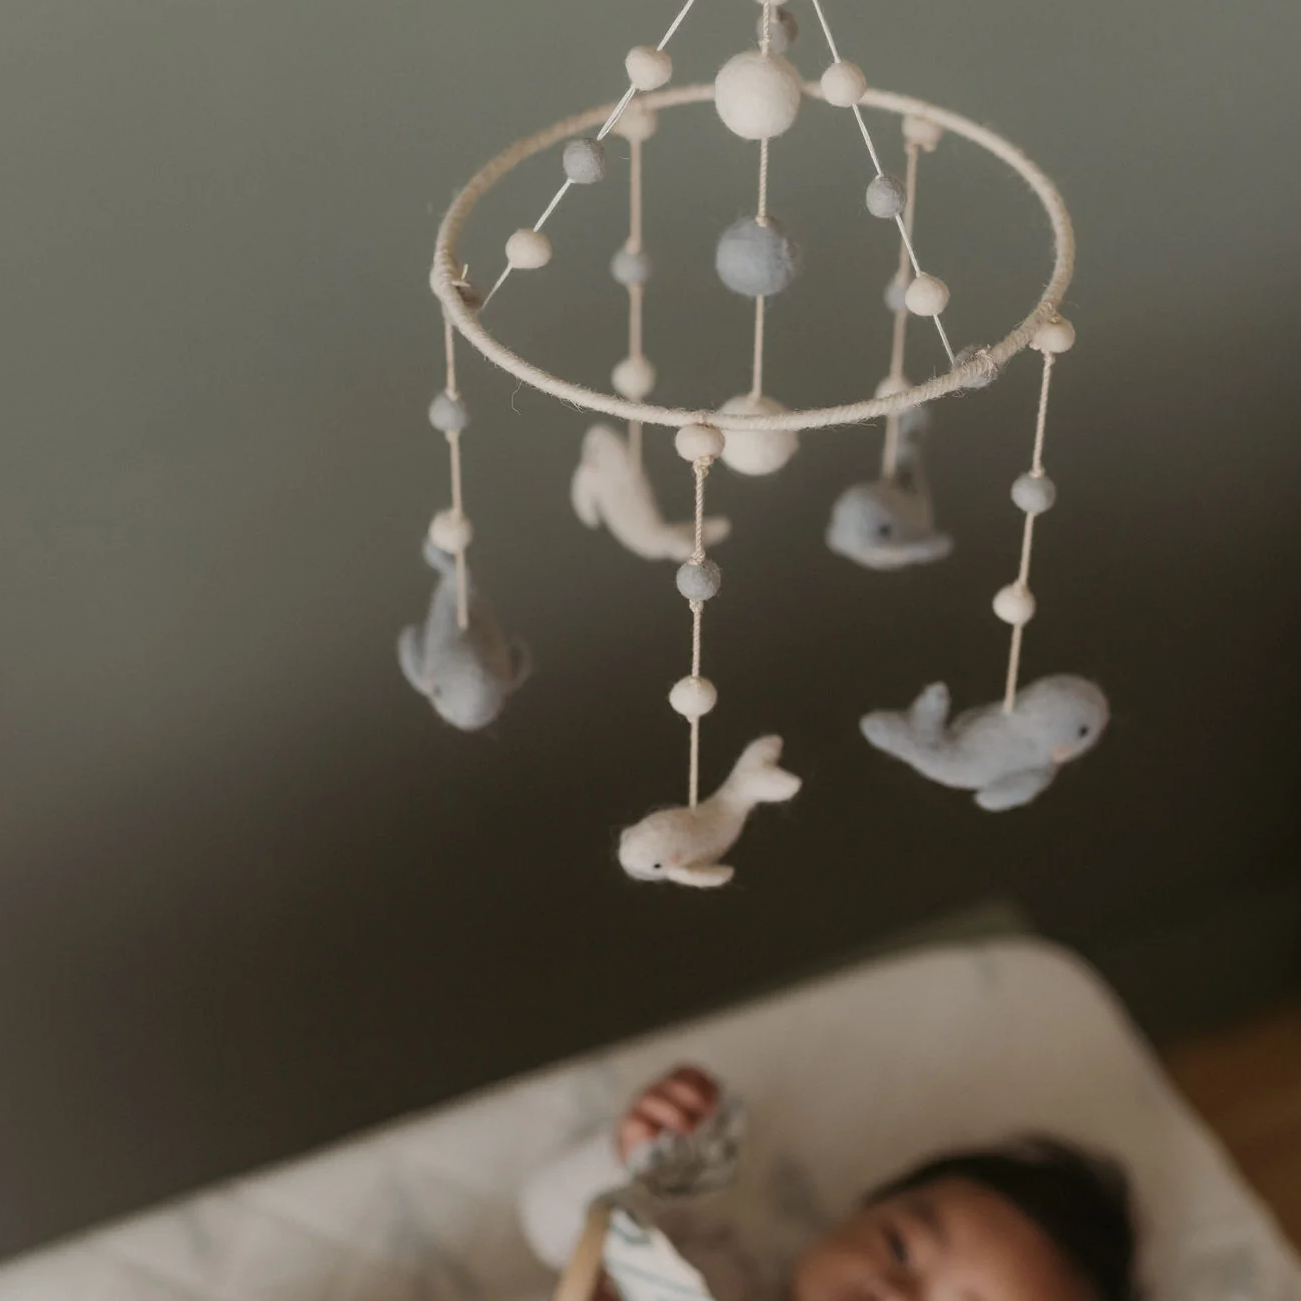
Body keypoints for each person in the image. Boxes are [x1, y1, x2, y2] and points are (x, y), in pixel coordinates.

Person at [519, 1065, 1137, 1301]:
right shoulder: (716, 1265)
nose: (896, 1294)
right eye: (900, 1247)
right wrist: (629, 1156)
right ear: (866, 1209)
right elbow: (552, 1222)